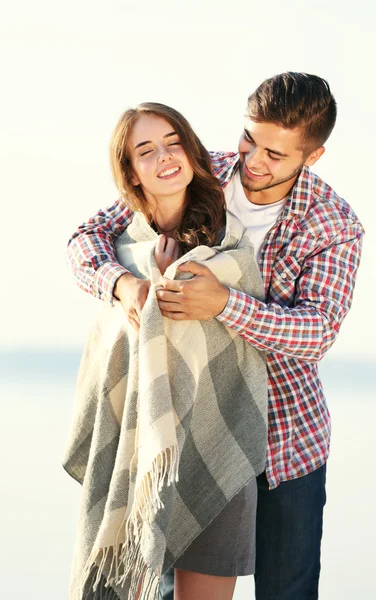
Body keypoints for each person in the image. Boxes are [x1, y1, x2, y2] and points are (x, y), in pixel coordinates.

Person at [66, 74, 365, 600]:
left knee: (287, 591)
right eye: (250, 139)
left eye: (275, 154)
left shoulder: (334, 224)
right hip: (184, 423)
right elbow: (86, 238)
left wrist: (226, 305)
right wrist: (124, 284)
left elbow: (317, 331)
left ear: (312, 156)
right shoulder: (201, 167)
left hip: (283, 438)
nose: (253, 161)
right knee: (152, 581)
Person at [64, 103, 268, 600]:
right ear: (131, 173)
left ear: (193, 152)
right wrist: (130, 285)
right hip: (139, 460)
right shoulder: (119, 255)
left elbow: (244, 341)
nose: (165, 157)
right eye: (146, 151)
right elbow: (80, 249)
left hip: (218, 447)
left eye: (174, 142)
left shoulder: (231, 245)